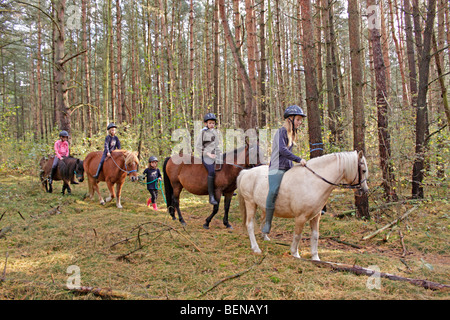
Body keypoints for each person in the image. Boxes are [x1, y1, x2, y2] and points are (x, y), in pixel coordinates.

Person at [263, 105, 307, 234]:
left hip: (288, 167)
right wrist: (298, 159)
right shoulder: (281, 132)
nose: (300, 122)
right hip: (277, 167)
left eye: (300, 120)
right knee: (273, 191)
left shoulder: (292, 133)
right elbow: (282, 151)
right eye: (298, 119)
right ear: (290, 119)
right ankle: (267, 222)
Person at [195, 112, 221, 205]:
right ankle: (211, 196)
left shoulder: (215, 133)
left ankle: (225, 188)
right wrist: (208, 154)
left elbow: (216, 146)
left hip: (215, 155)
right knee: (212, 171)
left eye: (213, 123)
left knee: (224, 167)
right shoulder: (203, 133)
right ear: (206, 123)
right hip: (206, 156)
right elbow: (198, 147)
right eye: (210, 123)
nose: (212, 125)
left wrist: (220, 154)